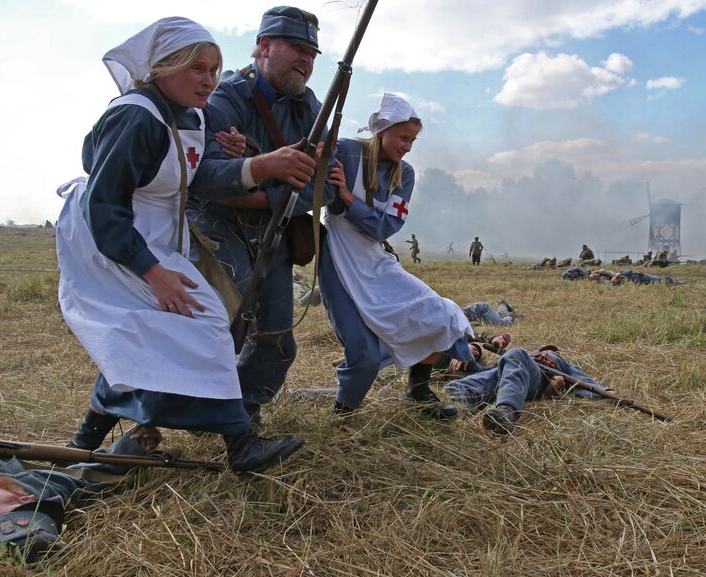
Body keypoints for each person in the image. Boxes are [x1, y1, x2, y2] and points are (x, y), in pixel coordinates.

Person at [55, 17, 303, 475]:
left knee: (150, 336)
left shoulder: (187, 115)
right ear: (162, 67)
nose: (210, 80)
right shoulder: (136, 116)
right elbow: (105, 206)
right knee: (203, 323)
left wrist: (256, 165)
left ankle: (86, 438)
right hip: (112, 241)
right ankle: (239, 441)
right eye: (197, 69)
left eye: (214, 69)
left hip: (153, 237)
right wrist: (153, 272)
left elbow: (196, 178)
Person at [186, 6, 329, 425]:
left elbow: (318, 187)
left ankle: (241, 415)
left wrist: (266, 188)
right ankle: (170, 411)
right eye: (297, 48)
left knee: (277, 340)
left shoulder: (310, 108)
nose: (306, 60)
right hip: (218, 229)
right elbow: (205, 181)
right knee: (213, 333)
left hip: (273, 230)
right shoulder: (225, 98)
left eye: (312, 53)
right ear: (264, 46)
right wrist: (272, 178)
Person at [319, 93, 473, 417]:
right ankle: (343, 412)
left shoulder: (406, 175)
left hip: (374, 257)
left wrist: (349, 198)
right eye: (403, 137)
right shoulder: (347, 151)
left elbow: (383, 228)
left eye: (413, 140)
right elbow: (319, 193)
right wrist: (330, 182)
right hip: (338, 254)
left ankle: (417, 390)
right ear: (383, 131)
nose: (408, 146)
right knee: (362, 352)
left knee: (439, 313)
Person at [0, 427, 160, 564]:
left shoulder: (0, 491)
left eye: (20, 508)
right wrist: (133, 447)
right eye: (26, 506)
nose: (32, 501)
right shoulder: (29, 493)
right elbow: (82, 479)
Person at [443, 346, 609, 435]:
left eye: (551, 350)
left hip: (535, 379)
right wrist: (467, 359)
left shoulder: (560, 362)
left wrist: (607, 392)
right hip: (507, 373)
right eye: (544, 348)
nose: (546, 351)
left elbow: (584, 383)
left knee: (517, 354)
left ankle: (507, 411)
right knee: (460, 386)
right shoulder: (525, 354)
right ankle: (453, 409)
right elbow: (481, 370)